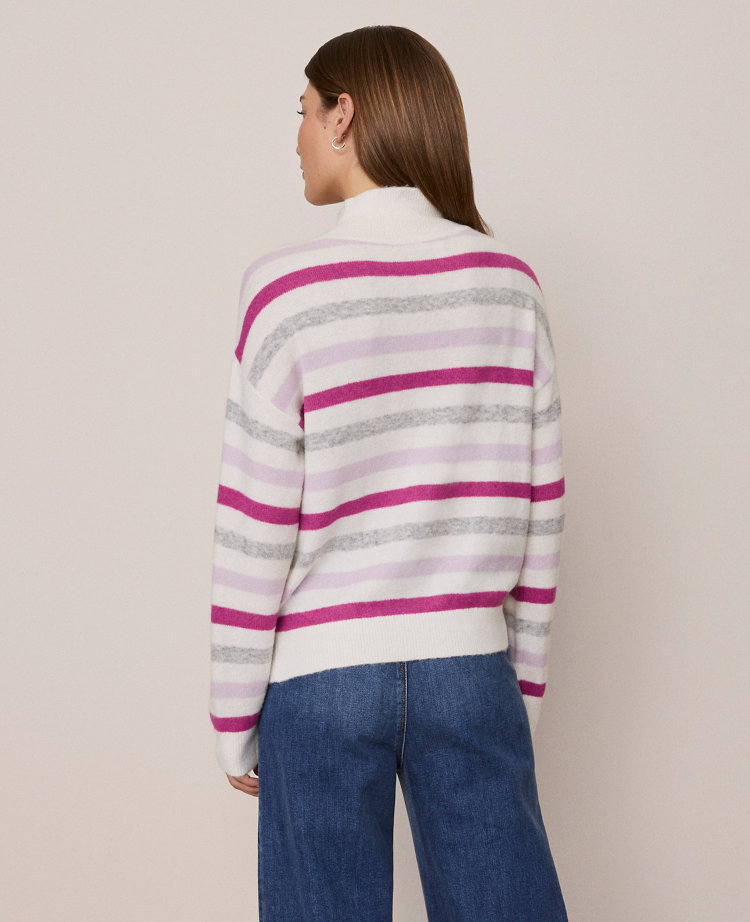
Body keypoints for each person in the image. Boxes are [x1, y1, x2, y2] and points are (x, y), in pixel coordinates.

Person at [208, 24, 568, 922]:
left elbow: (254, 525)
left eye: (302, 112)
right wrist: (517, 693)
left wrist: (233, 715)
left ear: (344, 115)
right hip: (470, 669)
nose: (296, 137)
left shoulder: (285, 293)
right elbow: (540, 513)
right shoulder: (511, 287)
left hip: (319, 682)